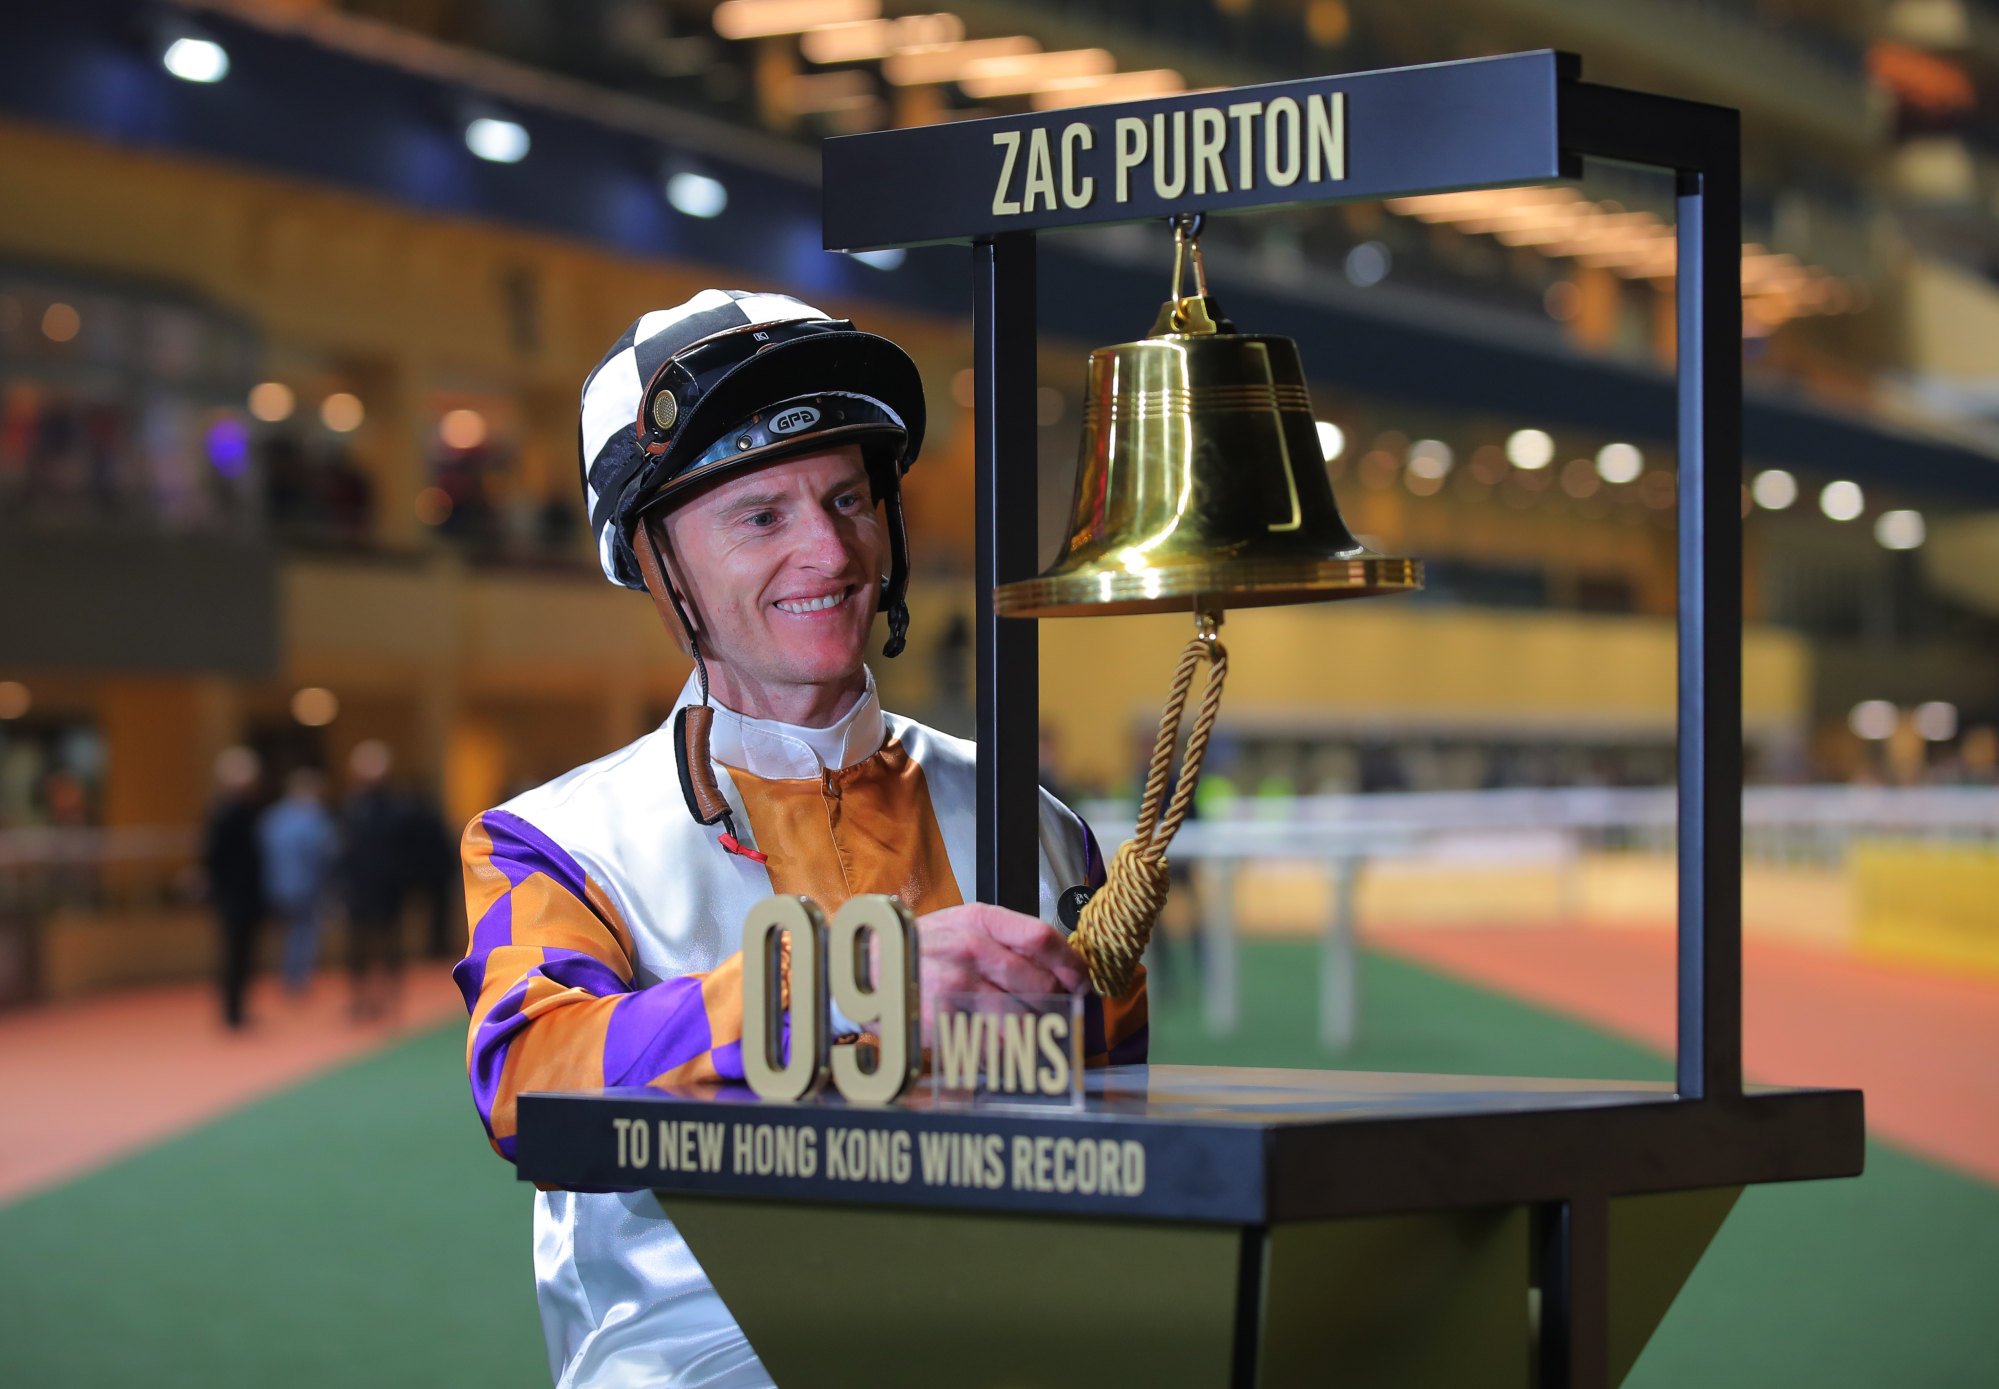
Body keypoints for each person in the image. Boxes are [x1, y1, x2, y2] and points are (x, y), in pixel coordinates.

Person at [453, 290, 1148, 1388]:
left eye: (847, 497)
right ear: (651, 558)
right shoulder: (549, 840)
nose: (828, 550)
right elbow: (530, 1088)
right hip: (702, 1355)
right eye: (761, 515)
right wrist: (851, 985)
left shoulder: (1043, 826)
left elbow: (1117, 1118)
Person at [340, 739, 408, 1021]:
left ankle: (390, 998)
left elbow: (405, 850)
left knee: (390, 944)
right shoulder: (351, 808)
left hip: (388, 890)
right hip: (358, 890)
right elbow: (345, 851)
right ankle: (361, 998)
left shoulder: (396, 809)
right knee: (358, 948)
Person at [200, 745, 264, 1029]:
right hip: (232, 894)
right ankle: (231, 1010)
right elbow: (212, 857)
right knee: (233, 953)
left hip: (248, 893)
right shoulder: (224, 814)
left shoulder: (249, 812)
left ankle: (238, 1008)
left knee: (245, 954)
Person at [260, 766, 339, 995]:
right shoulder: (314, 816)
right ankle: (297, 978)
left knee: (288, 933)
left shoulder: (273, 817)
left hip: (277, 886)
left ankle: (289, 975)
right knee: (304, 933)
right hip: (306, 885)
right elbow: (325, 852)